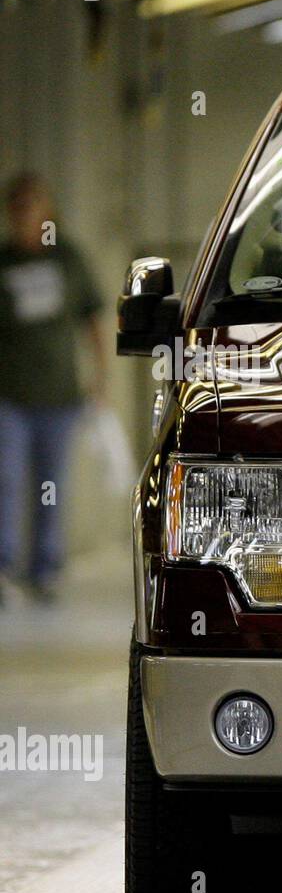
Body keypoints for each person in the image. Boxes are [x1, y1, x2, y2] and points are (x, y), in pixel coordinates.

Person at [0, 173, 107, 605]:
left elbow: (92, 320)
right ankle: (4, 567)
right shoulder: (4, 262)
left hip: (61, 396)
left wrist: (100, 378)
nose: (25, 215)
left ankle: (45, 569)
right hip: (10, 394)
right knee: (6, 480)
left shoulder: (68, 259)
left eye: (33, 206)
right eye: (18, 207)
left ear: (47, 212)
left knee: (51, 484)